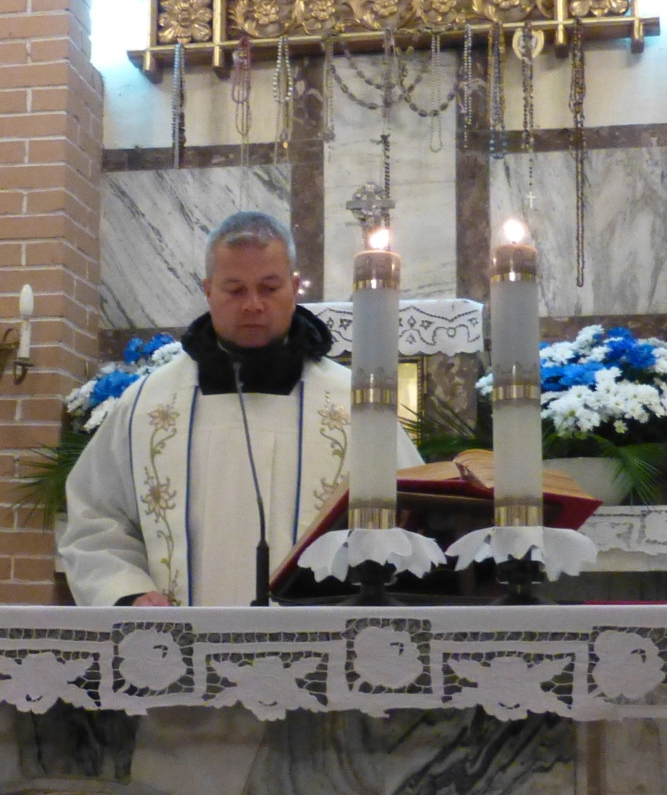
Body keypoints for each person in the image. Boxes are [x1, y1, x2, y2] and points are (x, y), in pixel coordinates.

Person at [59, 212, 420, 607]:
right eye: (235, 290)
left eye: (269, 288)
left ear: (294, 287)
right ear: (207, 290)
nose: (253, 305)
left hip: (322, 638)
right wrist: (128, 592)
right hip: (175, 638)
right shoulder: (148, 404)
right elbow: (95, 522)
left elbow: (413, 518)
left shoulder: (356, 407)